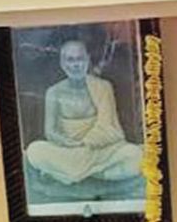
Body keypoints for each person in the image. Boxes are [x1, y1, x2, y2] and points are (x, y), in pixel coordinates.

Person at [25, 40, 144, 186]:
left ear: (87, 60)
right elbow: (50, 131)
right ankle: (95, 173)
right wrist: (67, 143)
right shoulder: (54, 92)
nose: (76, 65)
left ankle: (70, 175)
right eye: (70, 60)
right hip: (67, 151)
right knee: (34, 150)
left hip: (100, 150)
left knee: (136, 156)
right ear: (62, 63)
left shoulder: (103, 87)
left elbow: (108, 126)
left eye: (80, 59)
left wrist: (85, 143)